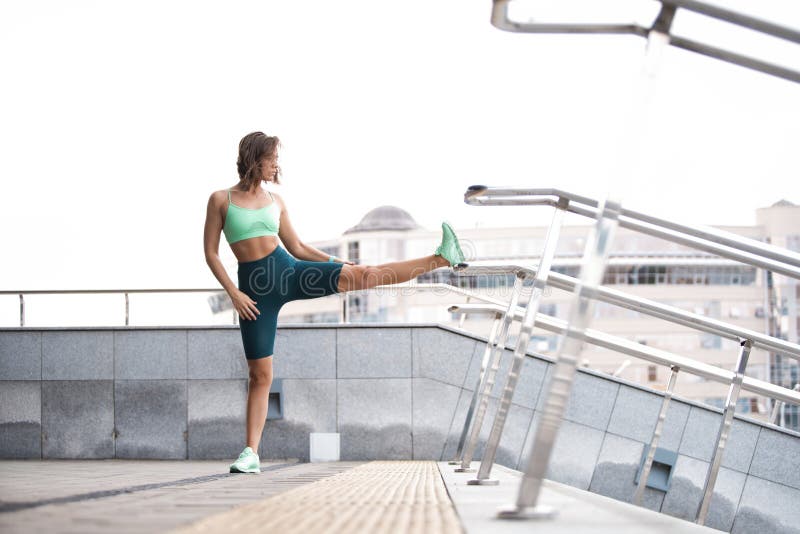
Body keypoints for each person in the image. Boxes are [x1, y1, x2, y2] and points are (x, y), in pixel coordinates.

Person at [203, 131, 466, 474]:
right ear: (256, 157)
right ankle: (251, 453)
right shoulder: (220, 199)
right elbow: (210, 253)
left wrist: (335, 262)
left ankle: (441, 258)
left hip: (290, 271)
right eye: (272, 158)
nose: (276, 165)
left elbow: (297, 247)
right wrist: (233, 294)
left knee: (367, 274)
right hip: (253, 294)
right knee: (260, 375)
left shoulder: (276, 202)